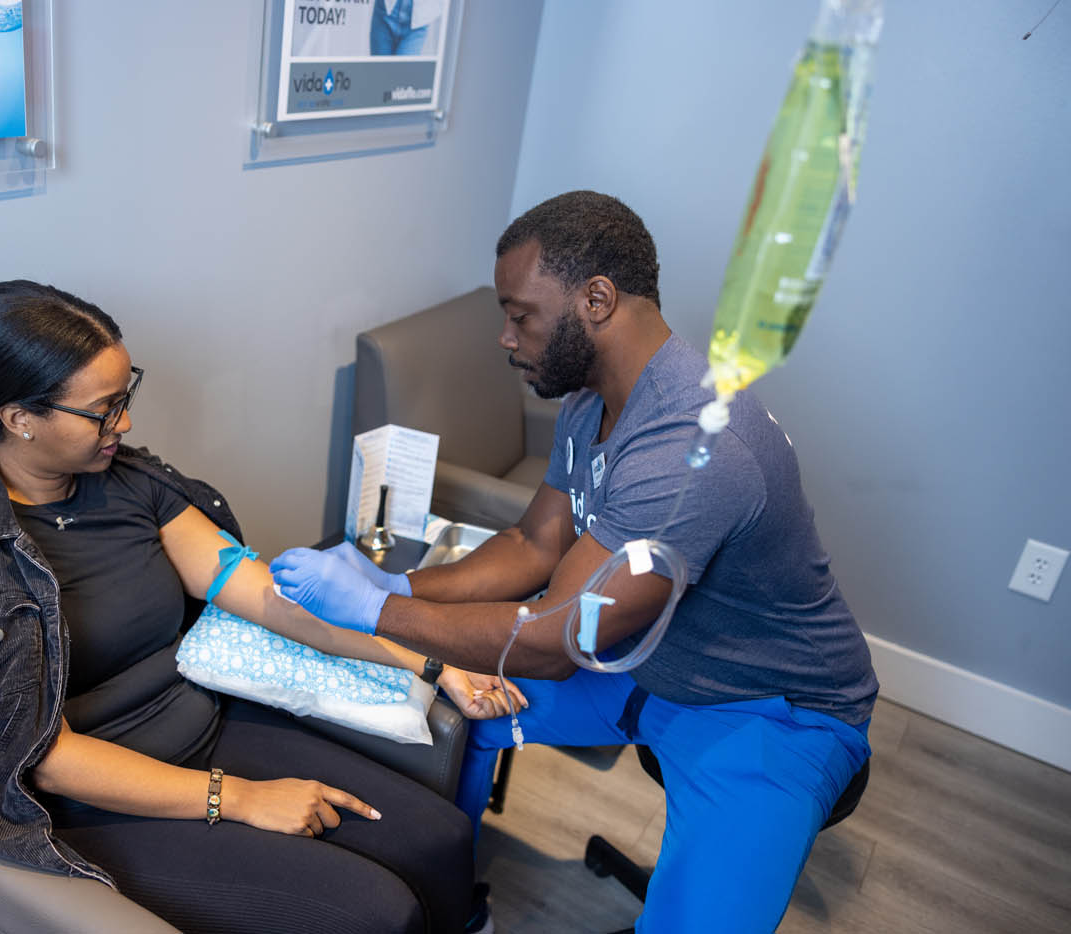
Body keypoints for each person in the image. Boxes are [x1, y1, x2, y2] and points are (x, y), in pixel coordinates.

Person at [0, 280, 522, 934]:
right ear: (19, 417)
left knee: (439, 837)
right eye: (101, 409)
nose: (122, 422)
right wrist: (238, 798)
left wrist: (429, 662)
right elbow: (39, 756)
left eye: (125, 395)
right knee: (373, 912)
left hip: (201, 727)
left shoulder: (133, 486)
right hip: (82, 804)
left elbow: (270, 600)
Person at [271, 192, 879, 933]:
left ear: (596, 298)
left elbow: (559, 640)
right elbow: (535, 544)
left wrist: (374, 611)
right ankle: (453, 906)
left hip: (771, 710)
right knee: (461, 715)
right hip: (650, 661)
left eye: (519, 313)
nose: (505, 336)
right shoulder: (592, 401)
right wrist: (399, 579)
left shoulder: (693, 448)